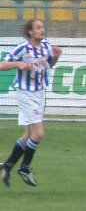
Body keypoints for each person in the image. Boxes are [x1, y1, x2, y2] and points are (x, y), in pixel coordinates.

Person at [0, 19, 62, 187]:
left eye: (42, 27)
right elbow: (2, 64)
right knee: (39, 133)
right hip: (26, 94)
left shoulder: (46, 46)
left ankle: (6, 166)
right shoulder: (22, 48)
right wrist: (18, 63)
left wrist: (55, 56)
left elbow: (48, 65)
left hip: (40, 93)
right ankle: (24, 168)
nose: (42, 30)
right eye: (38, 27)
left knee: (28, 135)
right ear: (30, 32)